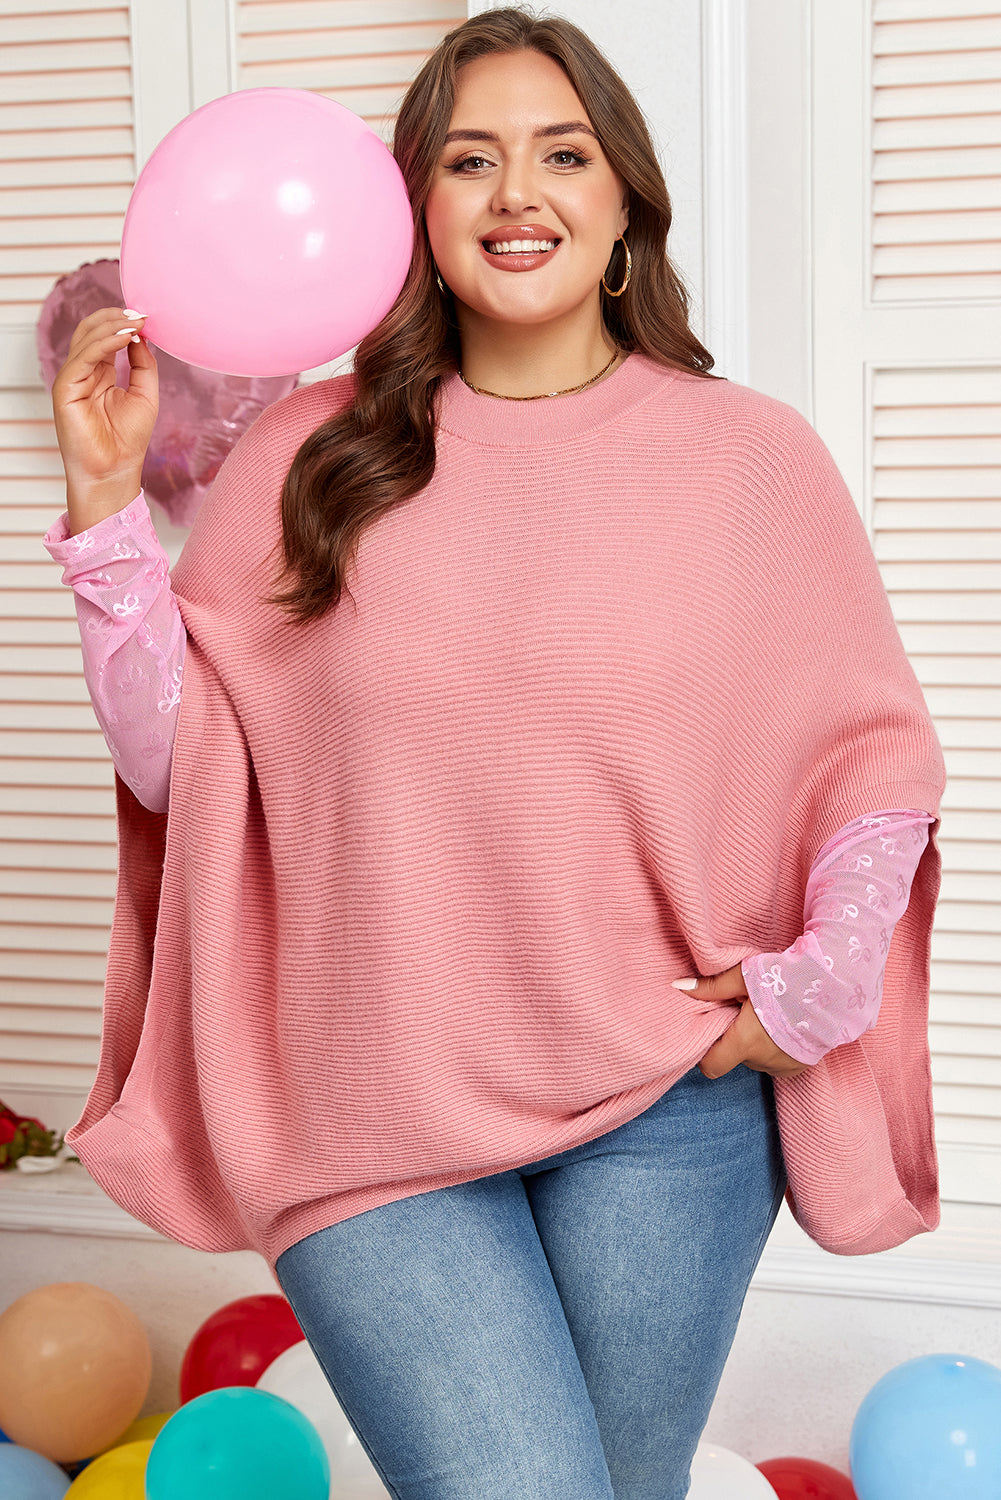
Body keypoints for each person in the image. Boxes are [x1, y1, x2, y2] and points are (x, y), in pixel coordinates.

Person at [43, 8, 945, 1497]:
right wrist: (104, 508)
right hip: (365, 1099)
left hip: (668, 1107)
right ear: (412, 210)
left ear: (624, 202)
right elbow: (178, 767)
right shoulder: (308, 458)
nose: (516, 193)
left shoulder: (751, 460)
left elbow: (870, 763)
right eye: (469, 160)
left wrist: (814, 991)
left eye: (561, 155)